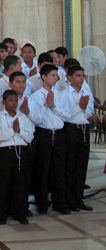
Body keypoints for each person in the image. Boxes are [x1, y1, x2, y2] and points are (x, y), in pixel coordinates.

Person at [30, 64, 70, 215]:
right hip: (44, 134)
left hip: (59, 134)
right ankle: (42, 203)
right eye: (52, 75)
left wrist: (53, 106)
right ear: (44, 77)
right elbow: (36, 119)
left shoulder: (60, 95)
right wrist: (46, 105)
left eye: (56, 76)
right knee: (43, 170)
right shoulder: (35, 96)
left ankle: (59, 201)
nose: (55, 78)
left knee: (59, 169)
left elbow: (67, 115)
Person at [0, 89, 35, 225]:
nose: (13, 103)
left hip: (21, 151)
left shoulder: (22, 117)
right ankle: (2, 215)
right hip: (5, 152)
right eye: (10, 100)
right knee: (4, 183)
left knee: (20, 183)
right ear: (4, 102)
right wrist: (12, 130)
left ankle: (20, 213)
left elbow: (29, 137)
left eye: (16, 100)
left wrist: (19, 130)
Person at [63, 66, 96, 212]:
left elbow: (88, 111)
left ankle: (79, 198)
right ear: (69, 78)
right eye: (78, 75)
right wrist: (80, 107)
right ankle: (69, 200)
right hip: (71, 129)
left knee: (82, 166)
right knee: (70, 166)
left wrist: (91, 115)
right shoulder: (64, 94)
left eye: (83, 75)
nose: (81, 78)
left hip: (84, 129)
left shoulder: (85, 92)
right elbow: (65, 115)